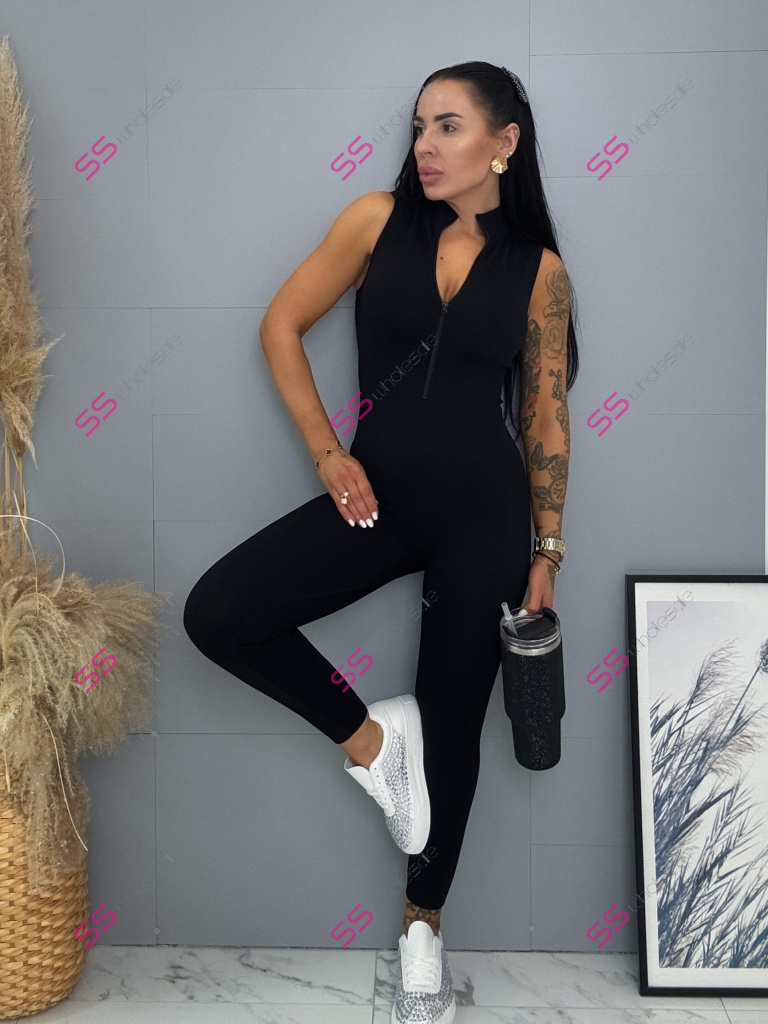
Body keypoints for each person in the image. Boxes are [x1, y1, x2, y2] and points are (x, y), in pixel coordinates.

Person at [183, 59, 579, 1024]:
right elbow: (280, 326)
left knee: (455, 723)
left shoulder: (538, 271)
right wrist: (328, 453)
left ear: (504, 143)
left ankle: (422, 931)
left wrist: (547, 551)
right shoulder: (375, 221)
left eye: (448, 127)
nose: (425, 147)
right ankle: (372, 743)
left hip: (484, 515)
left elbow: (546, 417)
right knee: (221, 613)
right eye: (418, 127)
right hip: (378, 497)